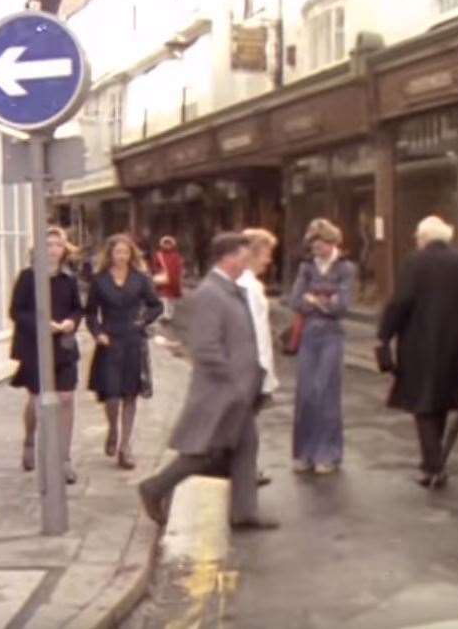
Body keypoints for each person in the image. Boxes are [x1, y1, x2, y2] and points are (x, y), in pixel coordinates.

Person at [138, 233, 278, 530]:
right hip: (222, 391)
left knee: (245, 447)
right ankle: (155, 487)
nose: (246, 261)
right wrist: (234, 381)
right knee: (206, 452)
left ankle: (244, 513)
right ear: (227, 258)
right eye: (242, 256)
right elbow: (205, 348)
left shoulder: (230, 289)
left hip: (239, 388)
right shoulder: (211, 293)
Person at [377, 216, 458, 488]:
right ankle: (434, 461)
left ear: (423, 237)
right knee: (439, 402)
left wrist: (385, 334)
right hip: (453, 344)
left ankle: (433, 465)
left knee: (422, 404)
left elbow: (400, 301)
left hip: (419, 342)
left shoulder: (413, 262)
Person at [10, 227, 84, 484]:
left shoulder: (69, 278)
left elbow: (77, 309)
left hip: (63, 346)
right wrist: (42, 323)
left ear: (65, 250)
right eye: (48, 244)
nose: (53, 249)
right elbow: (16, 312)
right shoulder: (28, 277)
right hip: (35, 347)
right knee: (36, 400)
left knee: (66, 399)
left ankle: (63, 459)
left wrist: (71, 322)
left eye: (58, 244)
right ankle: (30, 440)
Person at [86, 234, 163, 470]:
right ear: (110, 254)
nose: (121, 256)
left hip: (132, 340)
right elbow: (90, 313)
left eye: (125, 252)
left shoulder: (140, 279)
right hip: (108, 341)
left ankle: (125, 447)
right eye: (117, 252)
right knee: (111, 395)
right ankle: (113, 429)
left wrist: (142, 322)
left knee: (130, 394)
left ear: (131, 254)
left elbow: (156, 305)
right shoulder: (99, 280)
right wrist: (97, 332)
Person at [290, 219, 356, 475]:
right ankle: (304, 453)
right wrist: (326, 299)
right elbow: (295, 300)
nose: (316, 249)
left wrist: (314, 298)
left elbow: (343, 306)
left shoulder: (346, 268)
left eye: (320, 244)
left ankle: (328, 454)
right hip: (308, 335)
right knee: (306, 394)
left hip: (332, 336)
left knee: (326, 393)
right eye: (313, 244)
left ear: (332, 242)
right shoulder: (306, 268)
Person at [238, 228, 280, 488]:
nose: (269, 260)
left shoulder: (252, 283)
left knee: (245, 426)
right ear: (253, 253)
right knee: (242, 426)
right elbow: (250, 331)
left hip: (257, 367)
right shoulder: (247, 286)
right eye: (266, 253)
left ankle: (246, 471)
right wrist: (261, 371)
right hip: (252, 368)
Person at [153, 236, 184, 323]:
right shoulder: (159, 255)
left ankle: (170, 314)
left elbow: (179, 267)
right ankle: (165, 314)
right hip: (163, 279)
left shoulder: (176, 256)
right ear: (162, 245)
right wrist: (158, 271)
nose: (167, 246)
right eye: (165, 244)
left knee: (171, 299)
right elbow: (155, 266)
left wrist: (179, 276)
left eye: (169, 244)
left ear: (172, 245)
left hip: (174, 280)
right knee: (164, 297)